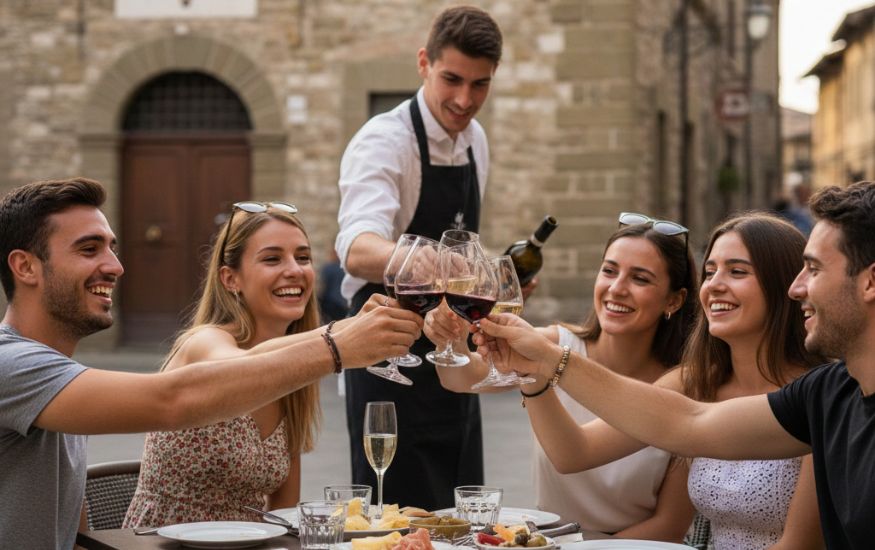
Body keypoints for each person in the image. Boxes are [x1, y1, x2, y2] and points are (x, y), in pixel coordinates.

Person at [0, 178, 422, 549]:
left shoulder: (60, 378)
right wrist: (337, 344)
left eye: (112, 249)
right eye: (89, 249)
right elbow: (175, 398)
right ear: (25, 267)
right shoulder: (12, 365)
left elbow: (71, 529)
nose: (115, 266)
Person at [474, 182, 875, 549]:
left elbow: (796, 545)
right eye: (711, 270)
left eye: (737, 272)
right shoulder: (714, 382)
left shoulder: (821, 393)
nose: (798, 287)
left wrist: (549, 361)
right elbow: (675, 426)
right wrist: (537, 369)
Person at [425, 219, 698, 541]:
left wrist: (535, 374)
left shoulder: (684, 384)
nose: (617, 288)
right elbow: (460, 378)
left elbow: (670, 525)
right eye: (609, 271)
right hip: (552, 539)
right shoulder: (556, 344)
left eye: (640, 278)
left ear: (674, 300)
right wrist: (450, 339)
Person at [334, 5, 501, 509]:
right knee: (397, 515)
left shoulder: (476, 142)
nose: (464, 99)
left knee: (462, 504)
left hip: (452, 353)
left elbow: (464, 242)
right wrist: (423, 260)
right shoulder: (385, 140)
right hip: (388, 356)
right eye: (452, 79)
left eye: (480, 85)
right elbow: (355, 247)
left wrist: (483, 280)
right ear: (424, 62)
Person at [123, 203, 326, 526]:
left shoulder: (293, 374)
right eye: (272, 258)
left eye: (303, 257)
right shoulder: (204, 342)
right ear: (231, 279)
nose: (295, 270)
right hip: (165, 543)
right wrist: (334, 342)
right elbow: (243, 368)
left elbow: (283, 513)